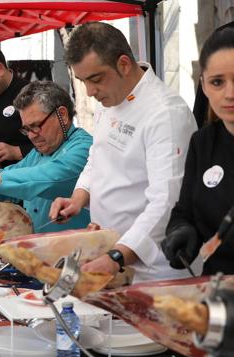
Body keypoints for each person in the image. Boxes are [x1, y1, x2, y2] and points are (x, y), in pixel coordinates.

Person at [49, 22, 199, 283]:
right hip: (109, 253)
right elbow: (99, 157)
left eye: (95, 79)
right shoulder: (110, 99)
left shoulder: (165, 113)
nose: (90, 92)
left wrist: (118, 255)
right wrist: (79, 197)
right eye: (82, 81)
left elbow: (166, 201)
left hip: (155, 266)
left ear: (124, 64)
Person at [0, 81, 92, 232]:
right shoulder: (37, 154)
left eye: (36, 126)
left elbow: (52, 177)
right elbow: (13, 173)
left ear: (62, 115)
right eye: (27, 129)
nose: (32, 136)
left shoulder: (85, 147)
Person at [161, 26, 234, 275]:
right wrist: (182, 230)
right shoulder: (202, 142)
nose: (230, 94)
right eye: (217, 82)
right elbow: (185, 211)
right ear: (203, 85)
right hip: (216, 294)